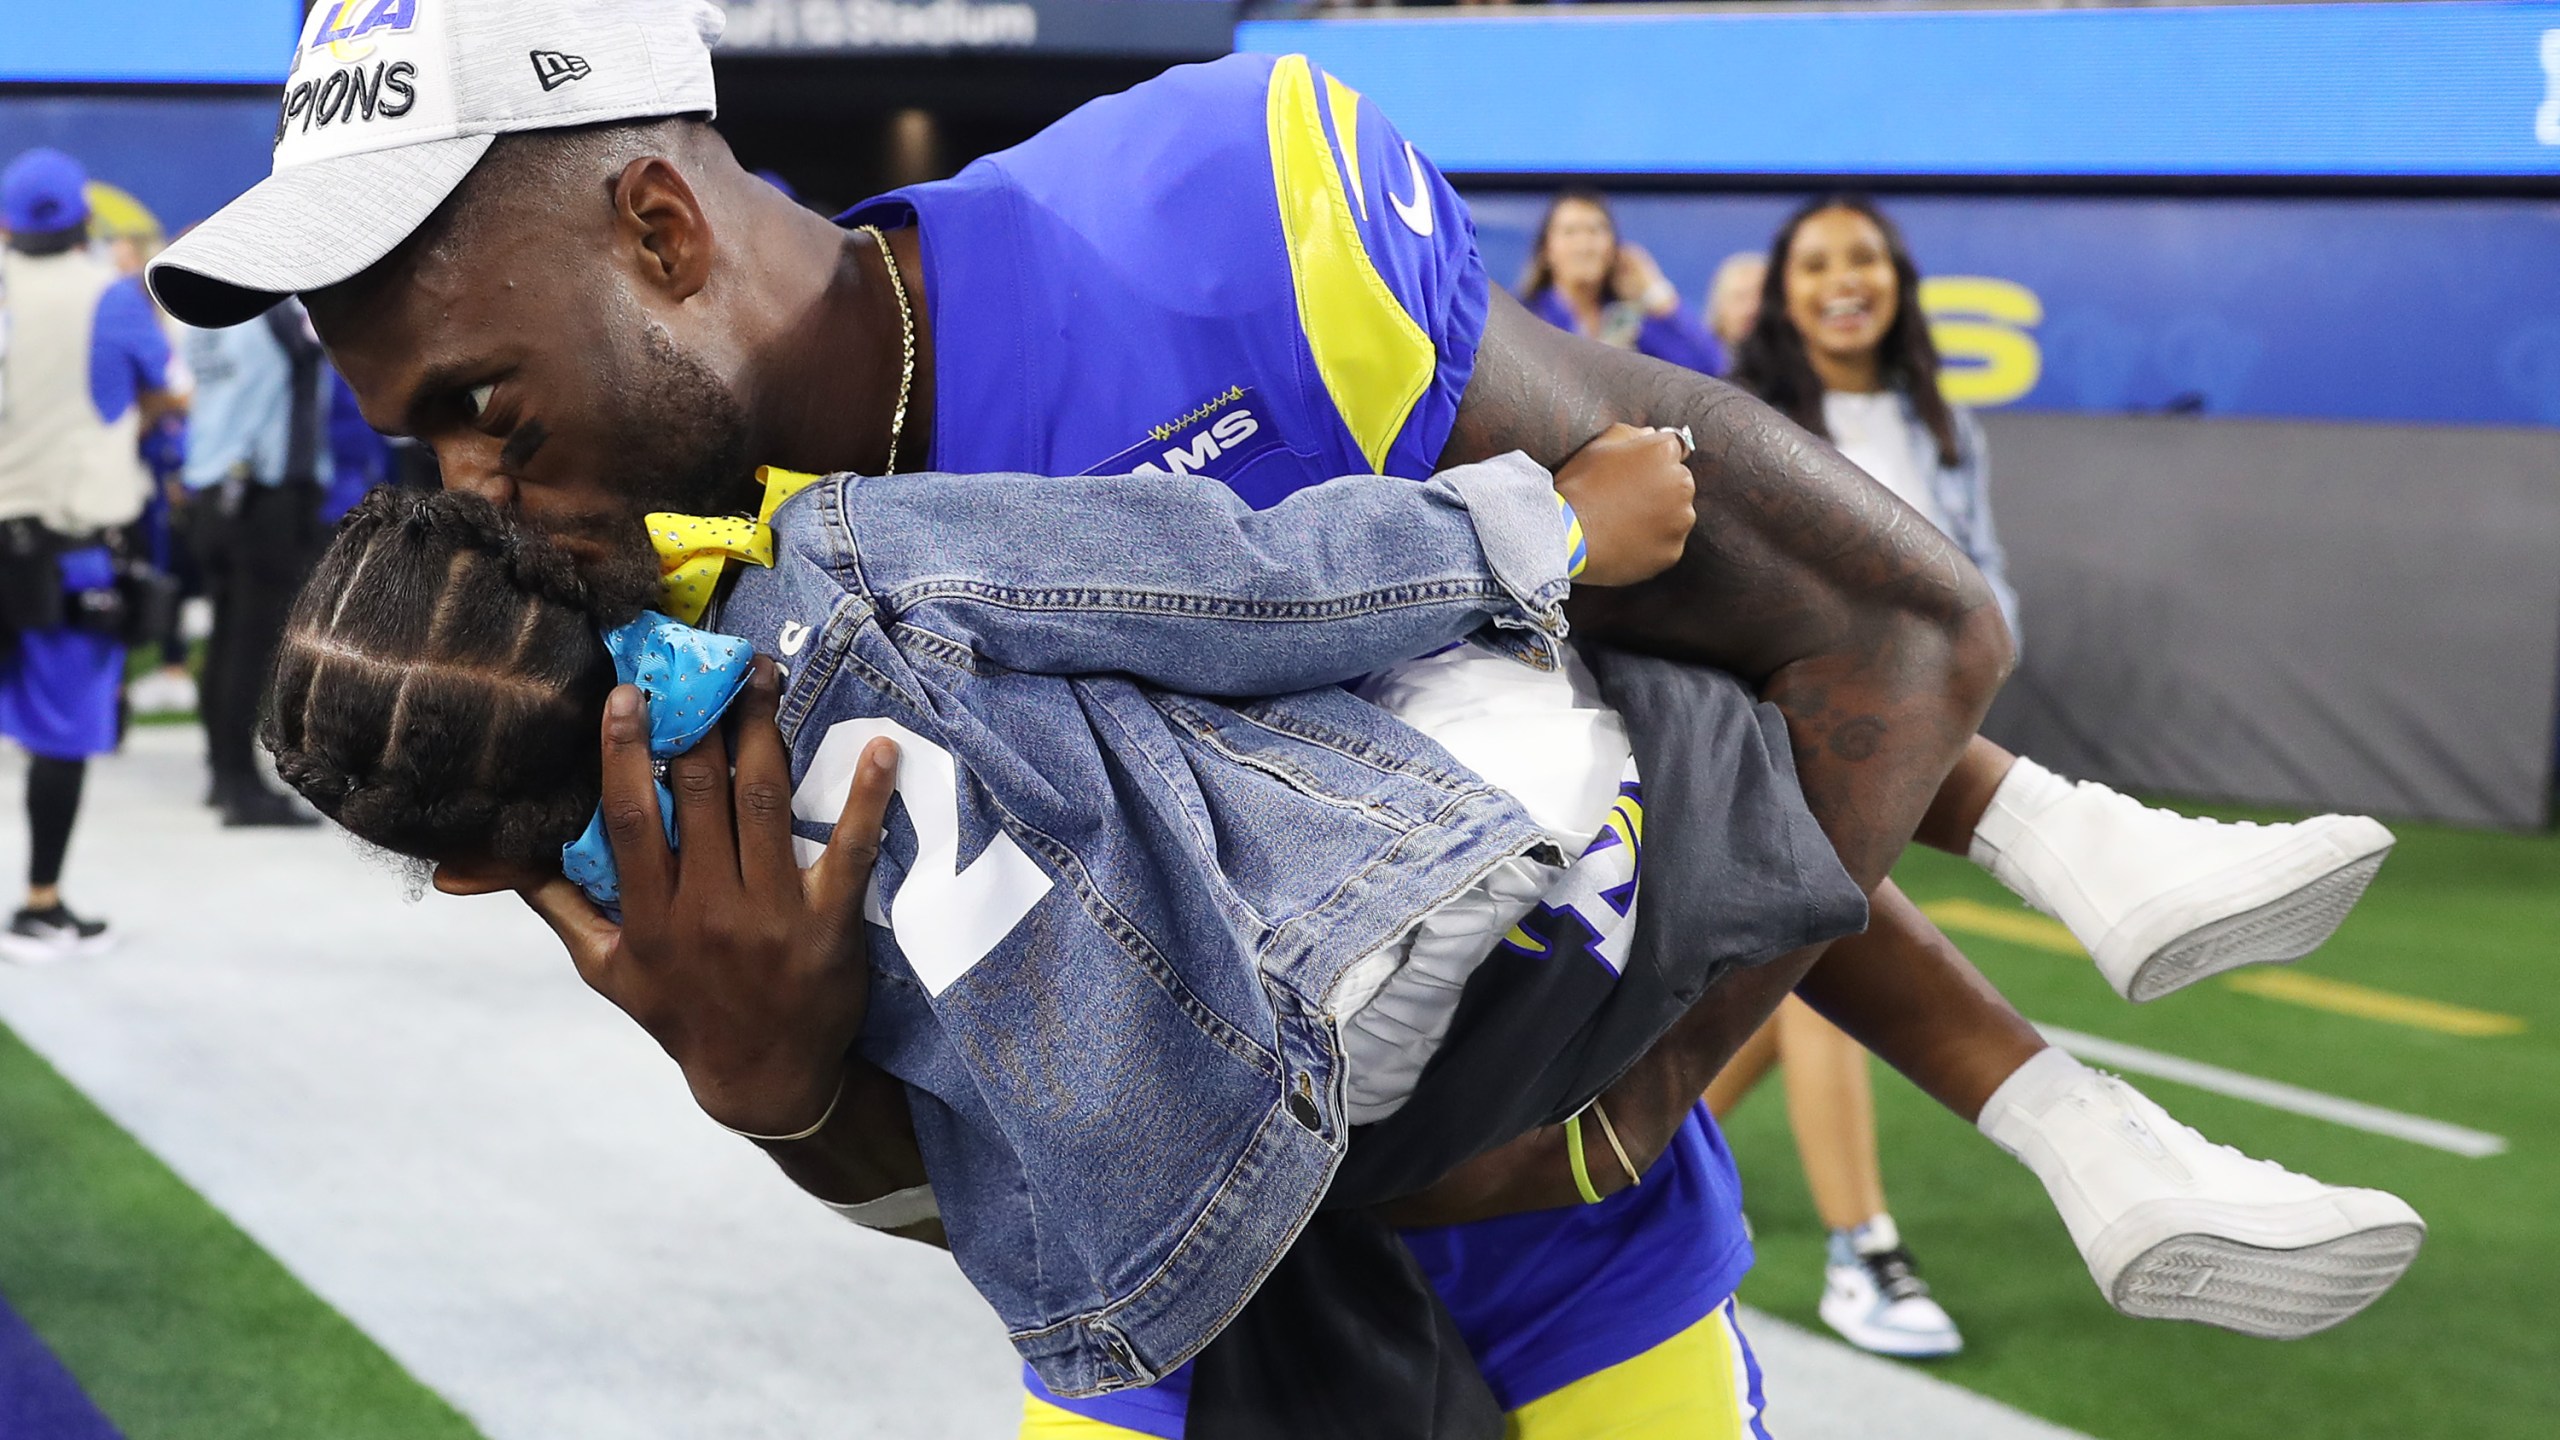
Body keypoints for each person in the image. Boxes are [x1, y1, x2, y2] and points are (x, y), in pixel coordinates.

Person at [147, 6, 2419, 1433]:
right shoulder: (601, 623)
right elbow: (946, 1147)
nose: (461, 484)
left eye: (473, 400)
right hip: (1156, 1357)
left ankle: (2085, 1086)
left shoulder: (1194, 234)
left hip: (1567, 1278)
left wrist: (1602, 1106)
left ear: (653, 221)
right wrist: (768, 1085)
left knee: (1620, 720)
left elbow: (1850, 633)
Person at [0, 148, 177, 962]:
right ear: (82, 219)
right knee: (63, 735)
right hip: (66, 553)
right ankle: (40, 903)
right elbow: (169, 392)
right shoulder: (111, 298)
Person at [176, 297, 344, 827]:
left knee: (227, 637)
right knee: (254, 645)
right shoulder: (274, 308)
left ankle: (222, 773)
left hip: (211, 485)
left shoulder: (203, 312)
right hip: (265, 491)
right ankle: (239, 786)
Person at [1518, 190, 1724, 375]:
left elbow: (1708, 366)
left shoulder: (1631, 320)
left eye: (1595, 231)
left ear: (1614, 249)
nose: (1584, 245)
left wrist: (1655, 290)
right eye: (1570, 232)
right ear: (1546, 251)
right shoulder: (1525, 319)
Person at [1704, 252, 1765, 359]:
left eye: (1760, 298)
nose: (1751, 308)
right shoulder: (1698, 361)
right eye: (1740, 297)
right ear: (1720, 305)